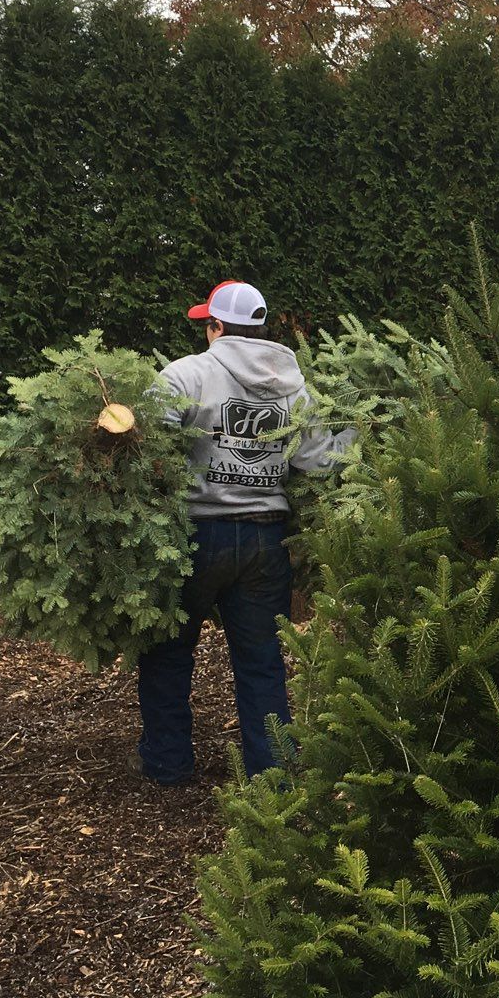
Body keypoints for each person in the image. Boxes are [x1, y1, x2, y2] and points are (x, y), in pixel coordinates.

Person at [136, 279, 346, 785]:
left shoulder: (186, 374)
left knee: (166, 652)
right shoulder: (294, 386)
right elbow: (317, 463)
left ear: (215, 327)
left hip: (192, 538)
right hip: (263, 539)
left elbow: (146, 445)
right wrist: (361, 432)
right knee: (262, 662)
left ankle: (168, 766)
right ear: (258, 327)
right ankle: (273, 774)